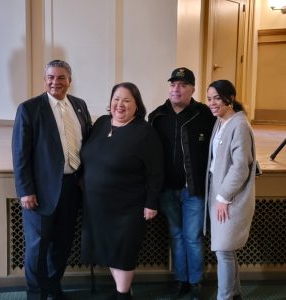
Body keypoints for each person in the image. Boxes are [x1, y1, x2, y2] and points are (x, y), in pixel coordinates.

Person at [12, 60, 92, 300]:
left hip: (72, 188)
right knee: (37, 247)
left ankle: (53, 288)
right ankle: (36, 294)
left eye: (61, 77)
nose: (55, 82)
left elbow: (86, 143)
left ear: (70, 80)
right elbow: (20, 155)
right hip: (40, 191)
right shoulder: (29, 108)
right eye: (50, 77)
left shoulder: (79, 105)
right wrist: (26, 191)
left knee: (62, 244)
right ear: (44, 79)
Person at [81, 82, 163, 300]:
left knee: (123, 252)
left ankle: (123, 295)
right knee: (107, 250)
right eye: (116, 99)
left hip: (127, 207)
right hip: (96, 205)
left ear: (137, 105)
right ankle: (122, 291)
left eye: (127, 100)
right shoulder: (100, 123)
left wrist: (151, 203)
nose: (120, 104)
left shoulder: (145, 132)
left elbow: (156, 172)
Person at [148, 67, 215, 299]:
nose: (177, 89)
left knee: (193, 237)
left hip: (193, 189)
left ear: (192, 89)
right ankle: (180, 279)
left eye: (183, 85)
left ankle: (195, 282)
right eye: (173, 84)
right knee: (176, 236)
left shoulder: (205, 114)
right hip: (167, 190)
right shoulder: (157, 116)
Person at [205, 80, 256, 300]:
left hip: (229, 197)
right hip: (218, 194)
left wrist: (224, 197)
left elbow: (240, 166)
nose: (212, 103)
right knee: (227, 249)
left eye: (217, 98)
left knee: (224, 250)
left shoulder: (239, 124)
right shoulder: (221, 122)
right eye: (209, 98)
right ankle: (235, 294)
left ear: (230, 98)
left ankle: (224, 297)